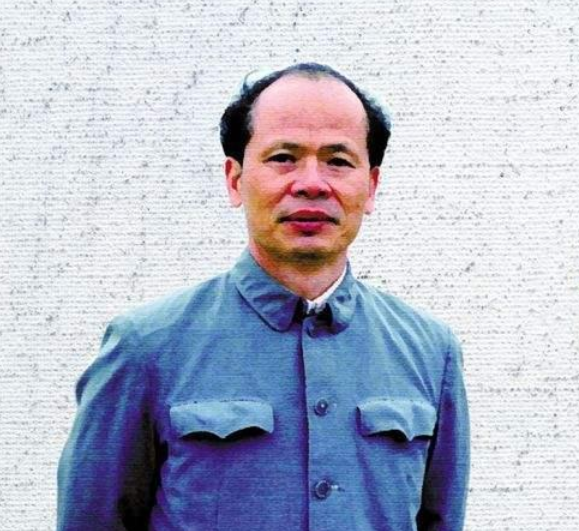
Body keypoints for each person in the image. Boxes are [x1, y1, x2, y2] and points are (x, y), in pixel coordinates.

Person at [57, 62, 470, 531]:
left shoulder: (430, 352)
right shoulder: (147, 347)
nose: (311, 183)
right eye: (283, 157)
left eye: (338, 161)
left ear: (371, 186)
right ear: (235, 179)